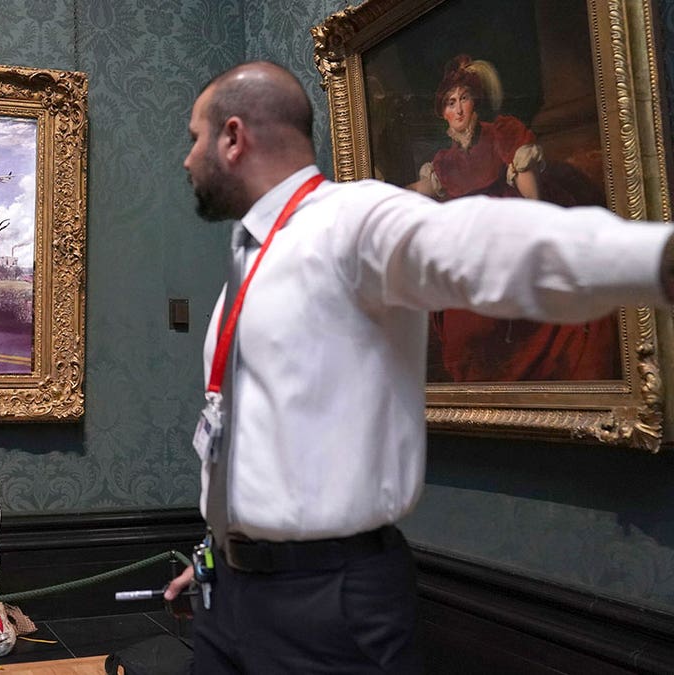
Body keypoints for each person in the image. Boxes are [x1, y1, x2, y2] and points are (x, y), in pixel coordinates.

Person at [164, 60, 674, 673]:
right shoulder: (247, 262)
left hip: (329, 607)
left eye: (195, 137)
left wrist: (655, 257)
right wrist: (221, 553)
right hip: (229, 593)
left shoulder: (352, 220)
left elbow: (482, 244)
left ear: (233, 137)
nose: (186, 158)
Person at [409, 54, 617, 382]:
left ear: (476, 103)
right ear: (444, 114)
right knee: (460, 322)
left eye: (464, 99)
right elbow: (422, 189)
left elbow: (530, 194)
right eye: (451, 103)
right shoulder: (444, 161)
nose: (459, 109)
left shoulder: (502, 133)